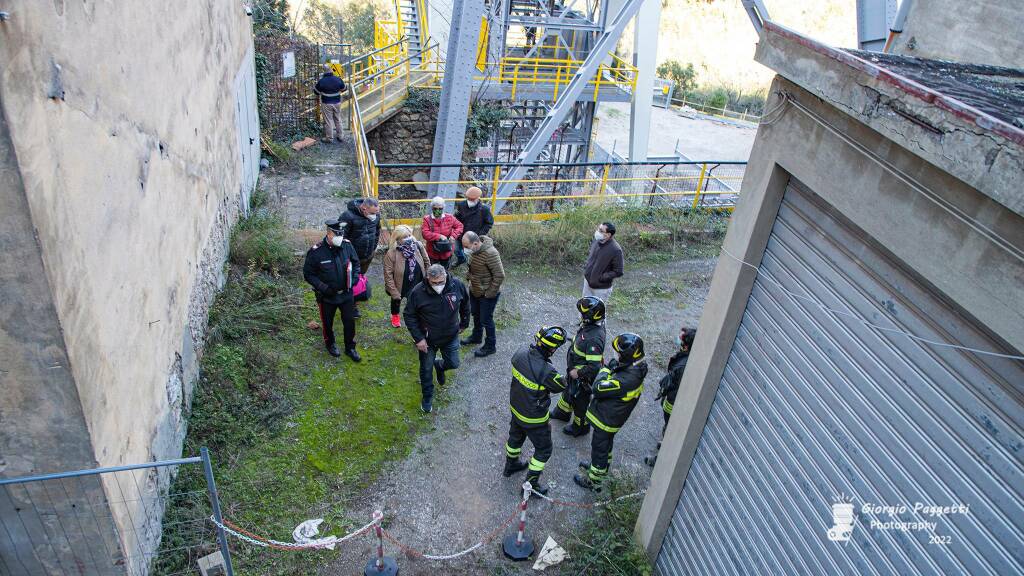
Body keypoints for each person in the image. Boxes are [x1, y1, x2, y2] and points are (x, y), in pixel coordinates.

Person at [574, 333, 648, 491]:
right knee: (605, 446)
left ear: (627, 355)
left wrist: (606, 369)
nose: (615, 355)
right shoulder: (638, 367)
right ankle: (599, 468)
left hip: (607, 420)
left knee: (599, 448)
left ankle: (594, 481)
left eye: (619, 353)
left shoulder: (626, 380)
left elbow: (598, 388)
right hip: (614, 416)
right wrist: (618, 365)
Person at [503, 326, 568, 496]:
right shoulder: (548, 371)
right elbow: (561, 385)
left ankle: (510, 465)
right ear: (552, 348)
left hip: (516, 409)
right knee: (544, 450)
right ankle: (530, 485)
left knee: (515, 438)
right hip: (534, 419)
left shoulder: (520, 354)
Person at [404, 264, 470, 414]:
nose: (438, 286)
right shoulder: (417, 292)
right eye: (434, 283)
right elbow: (409, 315)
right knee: (426, 369)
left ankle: (440, 366)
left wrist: (464, 323)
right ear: (428, 278)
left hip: (450, 335)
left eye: (441, 282)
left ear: (445, 276)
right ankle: (427, 396)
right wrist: (419, 339)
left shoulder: (457, 285)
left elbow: (466, 303)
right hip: (428, 340)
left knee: (453, 363)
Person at [302, 219, 362, 362]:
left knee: (349, 322)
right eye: (337, 235)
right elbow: (308, 274)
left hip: (346, 294)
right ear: (329, 234)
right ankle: (330, 343)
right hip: (327, 297)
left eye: (341, 234)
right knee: (327, 323)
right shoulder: (316, 251)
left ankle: (350, 347)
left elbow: (356, 263)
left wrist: (353, 280)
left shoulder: (347, 246)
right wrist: (323, 288)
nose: (340, 237)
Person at [550, 297, 606, 437]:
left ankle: (581, 427)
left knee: (580, 404)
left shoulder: (594, 338)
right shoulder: (590, 326)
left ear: (589, 317)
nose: (580, 315)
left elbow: (594, 366)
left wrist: (579, 373)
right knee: (568, 391)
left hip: (582, 378)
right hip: (574, 372)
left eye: (582, 313)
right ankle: (562, 412)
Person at [645, 327, 696, 466]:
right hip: (672, 401)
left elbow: (674, 383)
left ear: (685, 345)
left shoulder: (683, 365)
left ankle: (659, 460)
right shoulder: (687, 357)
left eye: (680, 338)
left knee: (670, 429)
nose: (677, 339)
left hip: (673, 404)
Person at [459, 231, 505, 357]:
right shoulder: (474, 251)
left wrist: (489, 293)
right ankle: (476, 336)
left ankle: (490, 346)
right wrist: (469, 277)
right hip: (475, 290)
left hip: (487, 294)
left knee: (486, 319)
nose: (465, 250)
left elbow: (499, 275)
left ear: (475, 243)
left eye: (467, 247)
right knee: (476, 314)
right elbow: (473, 268)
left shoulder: (491, 253)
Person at [339, 197, 381, 318]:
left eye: (376, 212)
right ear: (363, 208)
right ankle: (351, 306)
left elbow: (377, 231)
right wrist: (347, 256)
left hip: (367, 256)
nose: (375, 215)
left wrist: (373, 248)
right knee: (350, 280)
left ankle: (355, 299)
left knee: (359, 279)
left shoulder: (375, 215)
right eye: (372, 213)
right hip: (352, 259)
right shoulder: (347, 216)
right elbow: (341, 238)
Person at [382, 225, 429, 328]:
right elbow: (388, 274)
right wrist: (393, 291)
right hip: (400, 283)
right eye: (404, 237)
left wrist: (428, 277)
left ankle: (415, 320)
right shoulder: (391, 253)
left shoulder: (418, 246)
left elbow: (426, 261)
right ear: (397, 239)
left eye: (409, 235)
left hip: (417, 281)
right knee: (396, 301)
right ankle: (395, 315)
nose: (408, 239)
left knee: (416, 303)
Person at [453, 186, 494, 268]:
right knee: (457, 250)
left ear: (478, 198)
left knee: (472, 255)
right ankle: (461, 259)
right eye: (468, 199)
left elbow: (489, 223)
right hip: (461, 234)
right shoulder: (461, 205)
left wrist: (479, 235)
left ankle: (471, 268)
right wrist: (457, 231)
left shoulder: (484, 209)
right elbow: (456, 218)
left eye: (472, 199)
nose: (470, 201)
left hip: (474, 237)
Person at [583, 222, 624, 300]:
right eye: (598, 229)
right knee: (584, 309)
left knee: (597, 312)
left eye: (601, 230)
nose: (597, 231)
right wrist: (587, 269)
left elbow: (619, 271)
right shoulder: (596, 240)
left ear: (608, 235)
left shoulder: (616, 250)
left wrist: (601, 277)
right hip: (587, 283)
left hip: (601, 289)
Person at [421, 196, 463, 268]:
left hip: (446, 250)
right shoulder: (427, 219)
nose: (438, 211)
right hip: (433, 251)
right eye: (435, 208)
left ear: (443, 208)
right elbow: (425, 233)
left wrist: (453, 236)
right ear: (432, 208)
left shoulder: (449, 217)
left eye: (440, 208)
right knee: (433, 270)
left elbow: (460, 226)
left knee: (445, 269)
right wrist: (439, 236)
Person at [314, 63, 347, 143]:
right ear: (331, 70)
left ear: (324, 71)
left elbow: (316, 92)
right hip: (337, 102)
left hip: (326, 103)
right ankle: (341, 136)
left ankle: (329, 138)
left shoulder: (321, 81)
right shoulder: (338, 79)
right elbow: (344, 88)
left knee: (328, 120)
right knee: (337, 119)